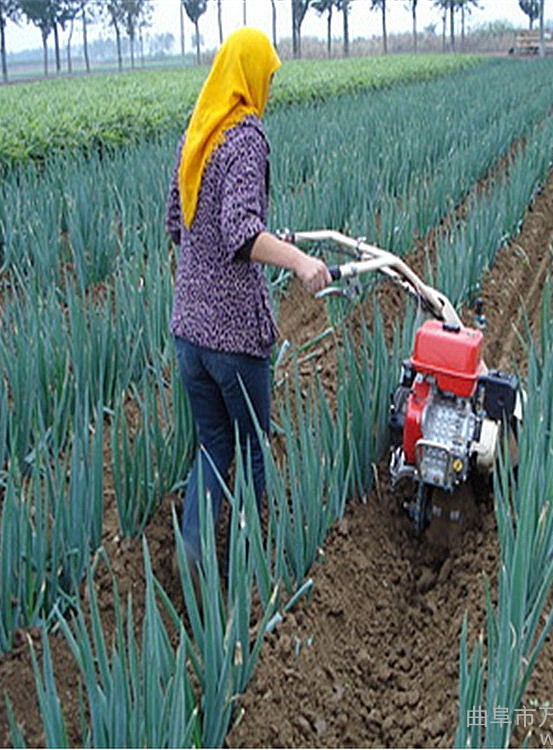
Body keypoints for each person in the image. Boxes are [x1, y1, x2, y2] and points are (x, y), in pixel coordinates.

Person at [165, 27, 331, 569]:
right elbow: (239, 230)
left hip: (189, 331)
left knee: (214, 444)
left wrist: (238, 251)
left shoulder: (199, 133)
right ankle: (257, 569)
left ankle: (192, 561)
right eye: (269, 75)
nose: (271, 87)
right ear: (250, 75)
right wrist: (301, 261)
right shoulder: (245, 137)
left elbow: (178, 225)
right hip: (234, 336)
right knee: (257, 446)